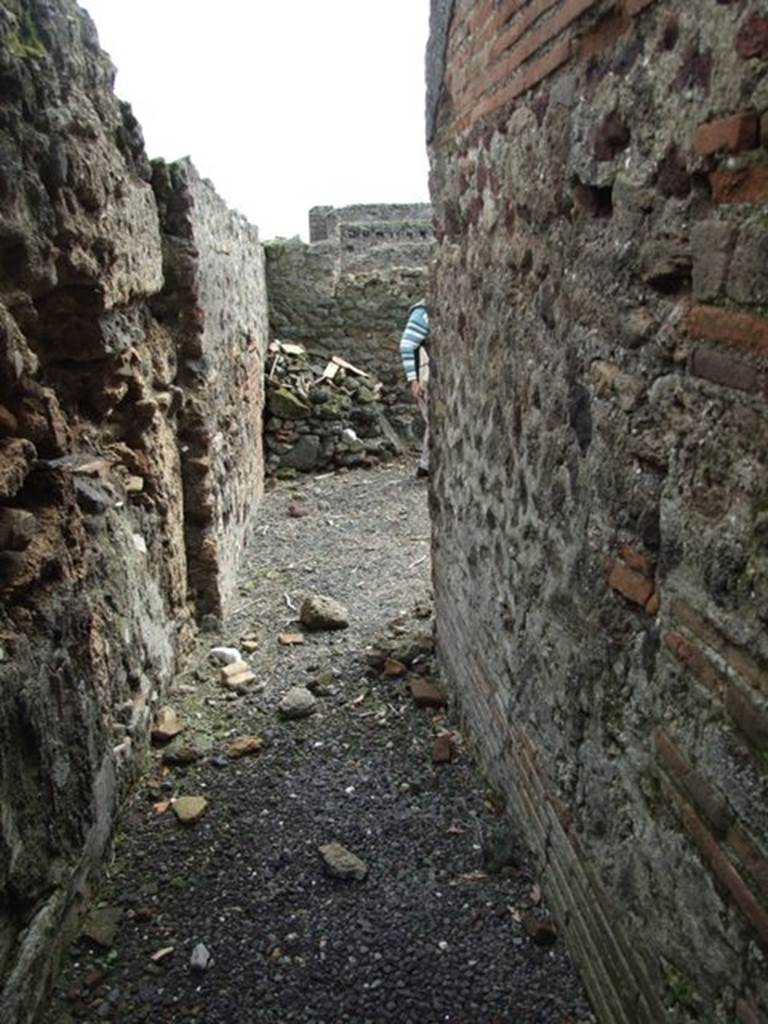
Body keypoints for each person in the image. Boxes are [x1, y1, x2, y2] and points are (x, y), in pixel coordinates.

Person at [399, 300, 430, 478]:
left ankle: (426, 466)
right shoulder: (422, 312)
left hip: (429, 377)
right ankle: (426, 465)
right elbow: (406, 345)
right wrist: (414, 380)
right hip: (426, 378)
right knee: (435, 422)